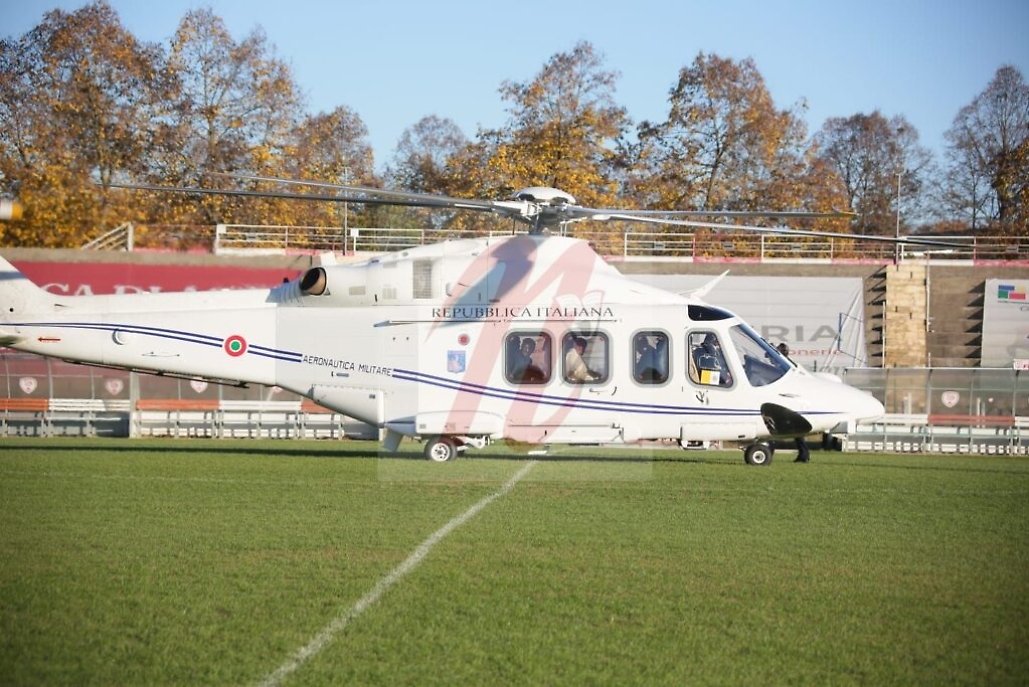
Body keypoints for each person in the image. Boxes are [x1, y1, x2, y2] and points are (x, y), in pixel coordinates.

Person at [777, 342, 810, 463]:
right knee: (797, 432)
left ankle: (804, 454)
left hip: (787, 400)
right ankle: (804, 454)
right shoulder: (790, 365)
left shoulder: (784, 365)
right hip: (789, 399)